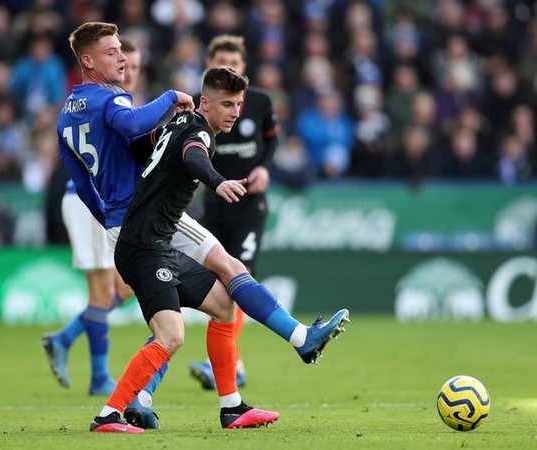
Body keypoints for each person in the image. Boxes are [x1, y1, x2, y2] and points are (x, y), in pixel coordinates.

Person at [56, 22, 349, 432]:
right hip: (143, 226)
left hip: (135, 220)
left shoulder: (68, 118)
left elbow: (87, 178)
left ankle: (234, 404)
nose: (122, 58)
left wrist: (107, 215)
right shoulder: (114, 103)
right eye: (112, 52)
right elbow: (142, 131)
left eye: (122, 50)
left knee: (225, 298)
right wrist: (171, 99)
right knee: (173, 328)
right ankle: (115, 409)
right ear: (87, 60)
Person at [40, 38, 146, 396]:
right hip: (91, 204)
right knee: (104, 292)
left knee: (126, 288)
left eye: (135, 67)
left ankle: (66, 338)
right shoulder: (110, 105)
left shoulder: (121, 105)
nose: (129, 72)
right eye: (124, 64)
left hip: (106, 204)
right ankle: (99, 375)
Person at [188, 35, 279, 390]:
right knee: (219, 282)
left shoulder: (258, 103)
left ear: (245, 68)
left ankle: (229, 365)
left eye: (236, 63)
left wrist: (265, 169)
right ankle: (231, 365)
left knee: (242, 277)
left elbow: (271, 139)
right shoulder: (205, 110)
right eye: (222, 63)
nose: (230, 69)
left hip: (249, 205)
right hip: (215, 202)